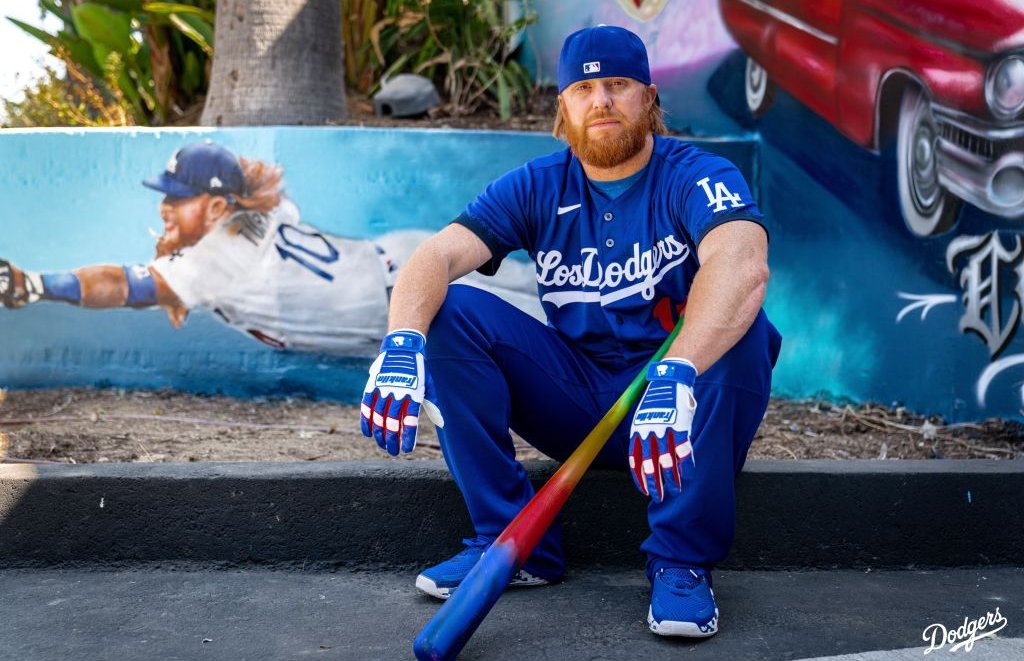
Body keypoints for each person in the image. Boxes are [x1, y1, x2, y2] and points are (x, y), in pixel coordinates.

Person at [359, 25, 782, 637]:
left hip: (678, 409)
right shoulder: (538, 184)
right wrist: (402, 341)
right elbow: (436, 256)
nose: (601, 101)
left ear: (649, 97)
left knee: (746, 324)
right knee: (448, 313)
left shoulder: (696, 174)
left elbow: (742, 263)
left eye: (618, 84)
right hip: (578, 399)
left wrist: (679, 369)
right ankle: (513, 542)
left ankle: (682, 562)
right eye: (583, 89)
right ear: (563, 106)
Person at [0, 142, 541, 356]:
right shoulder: (261, 210)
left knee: (554, 321)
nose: (165, 207)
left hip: (408, 290)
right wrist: (173, 269)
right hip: (396, 264)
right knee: (552, 300)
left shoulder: (213, 260)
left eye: (179, 199)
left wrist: (36, 285)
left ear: (217, 206)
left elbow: (121, 284)